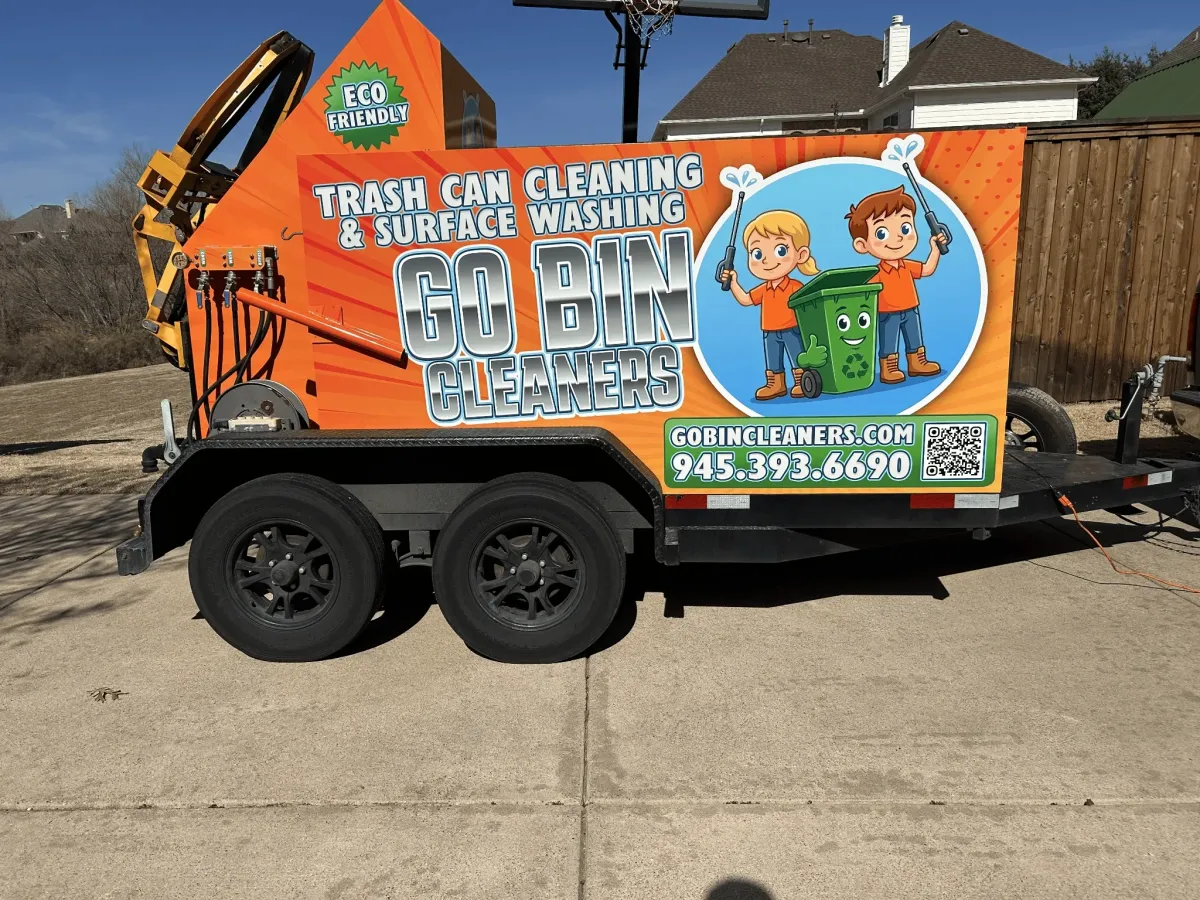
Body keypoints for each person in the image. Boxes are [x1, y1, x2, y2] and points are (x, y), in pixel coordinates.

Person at [846, 186, 948, 384]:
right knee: (889, 341)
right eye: (882, 233)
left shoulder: (907, 265)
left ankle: (917, 363)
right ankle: (889, 368)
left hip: (911, 309)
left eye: (905, 228)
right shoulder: (875, 273)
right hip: (887, 313)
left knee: (914, 337)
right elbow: (864, 294)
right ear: (862, 245)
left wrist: (935, 249)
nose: (899, 237)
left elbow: (927, 269)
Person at [720, 210, 827, 400]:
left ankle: (802, 381)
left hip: (792, 329)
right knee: (773, 360)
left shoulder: (796, 287)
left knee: (798, 357)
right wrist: (734, 283)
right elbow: (745, 299)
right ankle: (775, 384)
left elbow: (808, 307)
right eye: (757, 253)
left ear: (801, 254)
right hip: (769, 331)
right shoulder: (764, 289)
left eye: (780, 251)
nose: (766, 261)